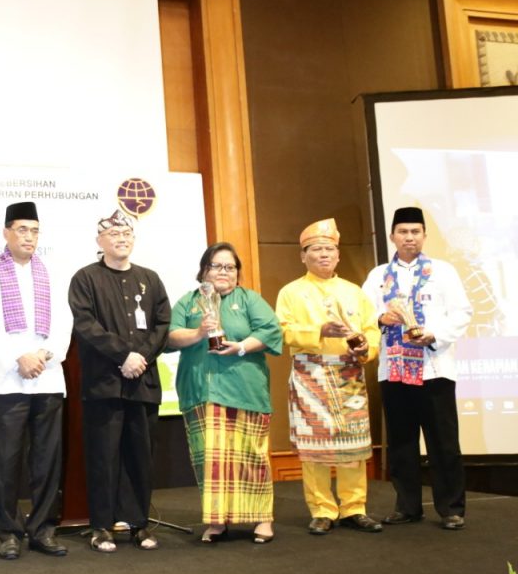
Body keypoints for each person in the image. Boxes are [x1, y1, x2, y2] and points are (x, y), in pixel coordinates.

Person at [0, 201, 73, 560]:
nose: (29, 237)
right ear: (6, 232)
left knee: (47, 461)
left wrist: (43, 355)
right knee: (6, 461)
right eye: (22, 229)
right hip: (6, 379)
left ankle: (43, 530)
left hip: (46, 378)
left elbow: (64, 322)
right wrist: (19, 356)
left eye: (35, 230)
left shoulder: (52, 272)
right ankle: (9, 532)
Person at [362, 207, 472, 530]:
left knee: (444, 443)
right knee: (401, 443)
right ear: (393, 235)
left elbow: (462, 312)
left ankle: (451, 508)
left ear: (424, 235)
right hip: (394, 372)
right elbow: (363, 315)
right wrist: (381, 319)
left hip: (433, 368)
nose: (409, 238)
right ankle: (407, 506)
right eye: (403, 232)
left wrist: (434, 334)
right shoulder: (377, 275)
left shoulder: (443, 271)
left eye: (415, 232)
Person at [68, 209, 171, 552]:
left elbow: (161, 324)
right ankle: (101, 526)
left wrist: (140, 357)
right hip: (104, 385)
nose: (121, 239)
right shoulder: (85, 279)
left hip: (143, 383)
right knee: (103, 457)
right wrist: (123, 356)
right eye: (113, 235)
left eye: (126, 234)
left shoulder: (150, 279)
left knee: (140, 456)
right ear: (100, 241)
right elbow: (86, 326)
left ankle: (139, 524)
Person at [167, 242, 283, 544]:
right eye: (216, 266)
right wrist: (198, 333)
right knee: (210, 461)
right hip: (200, 391)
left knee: (250, 457)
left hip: (245, 390)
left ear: (237, 273)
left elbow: (271, 331)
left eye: (230, 267)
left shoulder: (249, 299)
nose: (223, 272)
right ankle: (217, 522)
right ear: (204, 270)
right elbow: (169, 335)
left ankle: (263, 520)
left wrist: (242, 346)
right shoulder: (189, 302)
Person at [275, 218, 382, 535]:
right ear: (303, 256)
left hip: (348, 372)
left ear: (337, 255)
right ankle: (322, 509)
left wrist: (366, 347)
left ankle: (354, 507)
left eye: (330, 249)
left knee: (354, 445)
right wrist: (318, 331)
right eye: (316, 249)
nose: (324, 254)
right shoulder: (291, 292)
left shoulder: (354, 292)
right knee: (315, 449)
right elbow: (282, 332)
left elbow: (372, 332)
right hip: (311, 373)